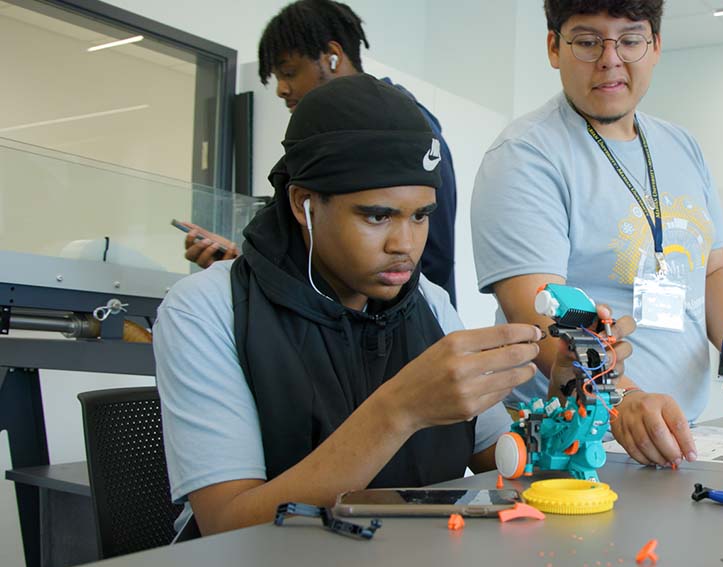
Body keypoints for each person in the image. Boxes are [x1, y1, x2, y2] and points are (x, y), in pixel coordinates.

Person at [156, 75, 557, 536]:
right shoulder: (208, 309)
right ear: (304, 203)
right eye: (377, 215)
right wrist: (399, 410)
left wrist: (566, 398)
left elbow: (501, 461)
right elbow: (227, 526)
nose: (405, 245)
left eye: (421, 216)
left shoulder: (429, 302)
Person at [471, 0, 723, 468]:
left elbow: (715, 268)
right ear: (554, 47)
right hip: (574, 437)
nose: (611, 59)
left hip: (678, 435)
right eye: (588, 42)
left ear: (655, 47)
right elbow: (539, 310)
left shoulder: (682, 147)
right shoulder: (525, 156)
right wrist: (622, 398)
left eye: (630, 40)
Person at [184, 0, 460, 306]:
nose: (281, 89)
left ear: (332, 57)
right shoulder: (318, 143)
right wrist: (248, 266)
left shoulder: (409, 131)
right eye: (378, 215)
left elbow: (435, 258)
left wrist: (419, 323)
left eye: (289, 72)